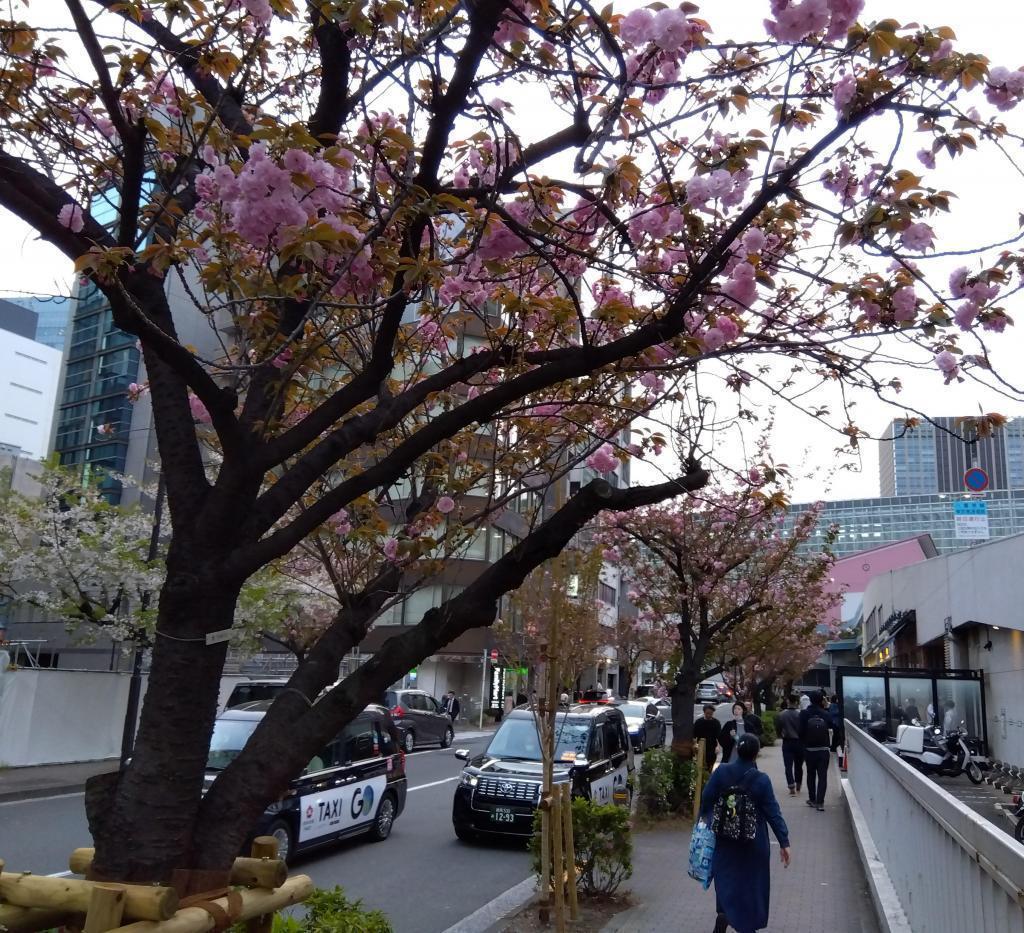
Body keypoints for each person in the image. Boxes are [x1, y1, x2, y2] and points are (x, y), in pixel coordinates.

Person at [700, 734, 791, 933]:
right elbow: (773, 813)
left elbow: (706, 800)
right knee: (752, 885)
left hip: (725, 839)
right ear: (756, 753)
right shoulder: (761, 780)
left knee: (726, 878)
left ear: (737, 750)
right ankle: (747, 925)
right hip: (754, 842)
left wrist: (708, 823)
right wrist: (784, 842)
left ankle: (724, 913)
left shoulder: (721, 772)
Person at [799, 691, 835, 811]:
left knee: (811, 774)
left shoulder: (804, 713)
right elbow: (832, 726)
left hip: (809, 749)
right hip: (823, 749)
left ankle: (812, 799)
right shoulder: (825, 713)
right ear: (821, 700)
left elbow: (800, 732)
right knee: (823, 776)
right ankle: (820, 802)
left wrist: (804, 743)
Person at [776, 694, 804, 796]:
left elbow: (778, 729)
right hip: (799, 742)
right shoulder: (800, 714)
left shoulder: (782, 714)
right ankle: (798, 785)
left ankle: (791, 785)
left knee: (788, 766)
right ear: (797, 702)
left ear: (787, 701)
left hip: (787, 742)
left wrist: (781, 735)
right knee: (798, 765)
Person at [693, 704, 722, 773]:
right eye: (707, 713)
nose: (709, 715)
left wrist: (718, 747)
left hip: (712, 747)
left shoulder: (716, 723)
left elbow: (719, 737)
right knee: (700, 765)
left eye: (711, 713)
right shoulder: (698, 722)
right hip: (700, 747)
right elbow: (694, 736)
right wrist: (695, 745)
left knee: (710, 765)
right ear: (704, 712)